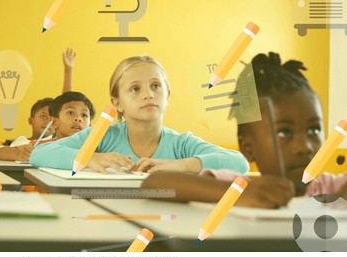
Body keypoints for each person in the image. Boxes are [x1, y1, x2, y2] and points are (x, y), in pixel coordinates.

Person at [142, 52, 347, 208]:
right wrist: (239, 195)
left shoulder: (332, 190)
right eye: (284, 133)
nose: (304, 147)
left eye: (313, 130)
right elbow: (154, 184)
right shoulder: (239, 186)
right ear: (248, 147)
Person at [30, 55, 249, 175]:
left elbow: (239, 162)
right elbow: (40, 154)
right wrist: (89, 157)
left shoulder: (182, 144)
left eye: (155, 86)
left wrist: (180, 165)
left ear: (167, 95)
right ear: (118, 103)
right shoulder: (103, 137)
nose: (148, 94)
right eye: (135, 89)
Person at [2, 48, 77, 148]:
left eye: (51, 119)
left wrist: (68, 70)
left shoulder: (56, 143)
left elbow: (66, 104)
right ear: (30, 121)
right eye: (43, 116)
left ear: (57, 122)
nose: (47, 122)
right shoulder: (20, 142)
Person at [0, 91, 95, 161]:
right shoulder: (43, 147)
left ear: (90, 125)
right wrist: (19, 155)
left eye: (84, 115)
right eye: (70, 113)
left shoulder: (96, 148)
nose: (78, 118)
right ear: (55, 122)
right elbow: (0, 152)